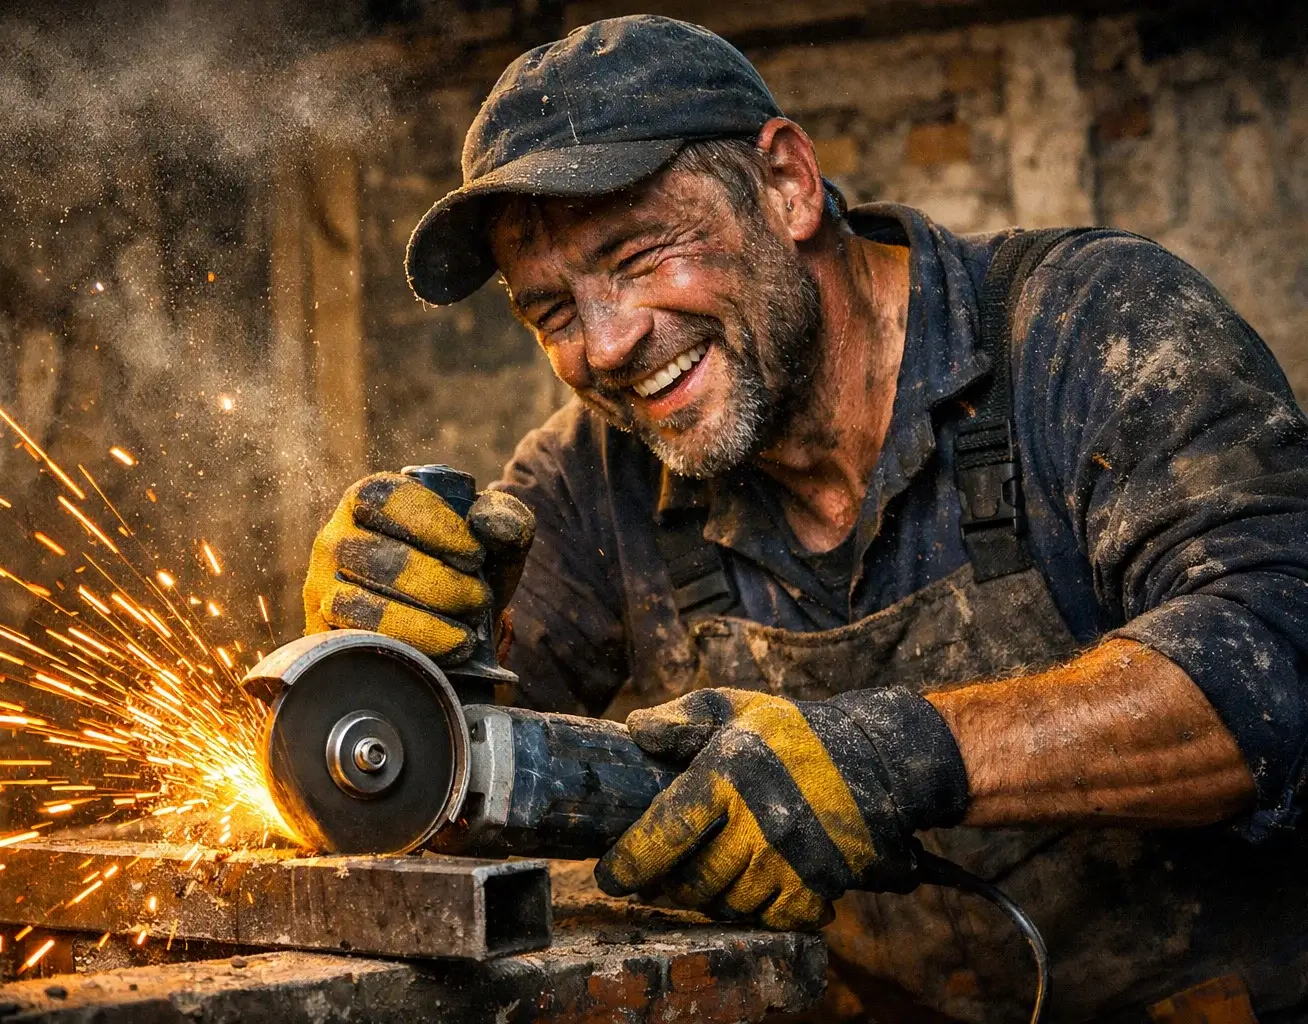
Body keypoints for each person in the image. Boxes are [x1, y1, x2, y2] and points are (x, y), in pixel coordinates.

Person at [301, 15, 1308, 1022]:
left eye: (641, 255)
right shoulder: (585, 479)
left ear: (787, 184)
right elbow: (442, 788)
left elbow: (1273, 662)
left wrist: (901, 755)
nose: (604, 346)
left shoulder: (1091, 330)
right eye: (554, 311)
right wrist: (380, 662)